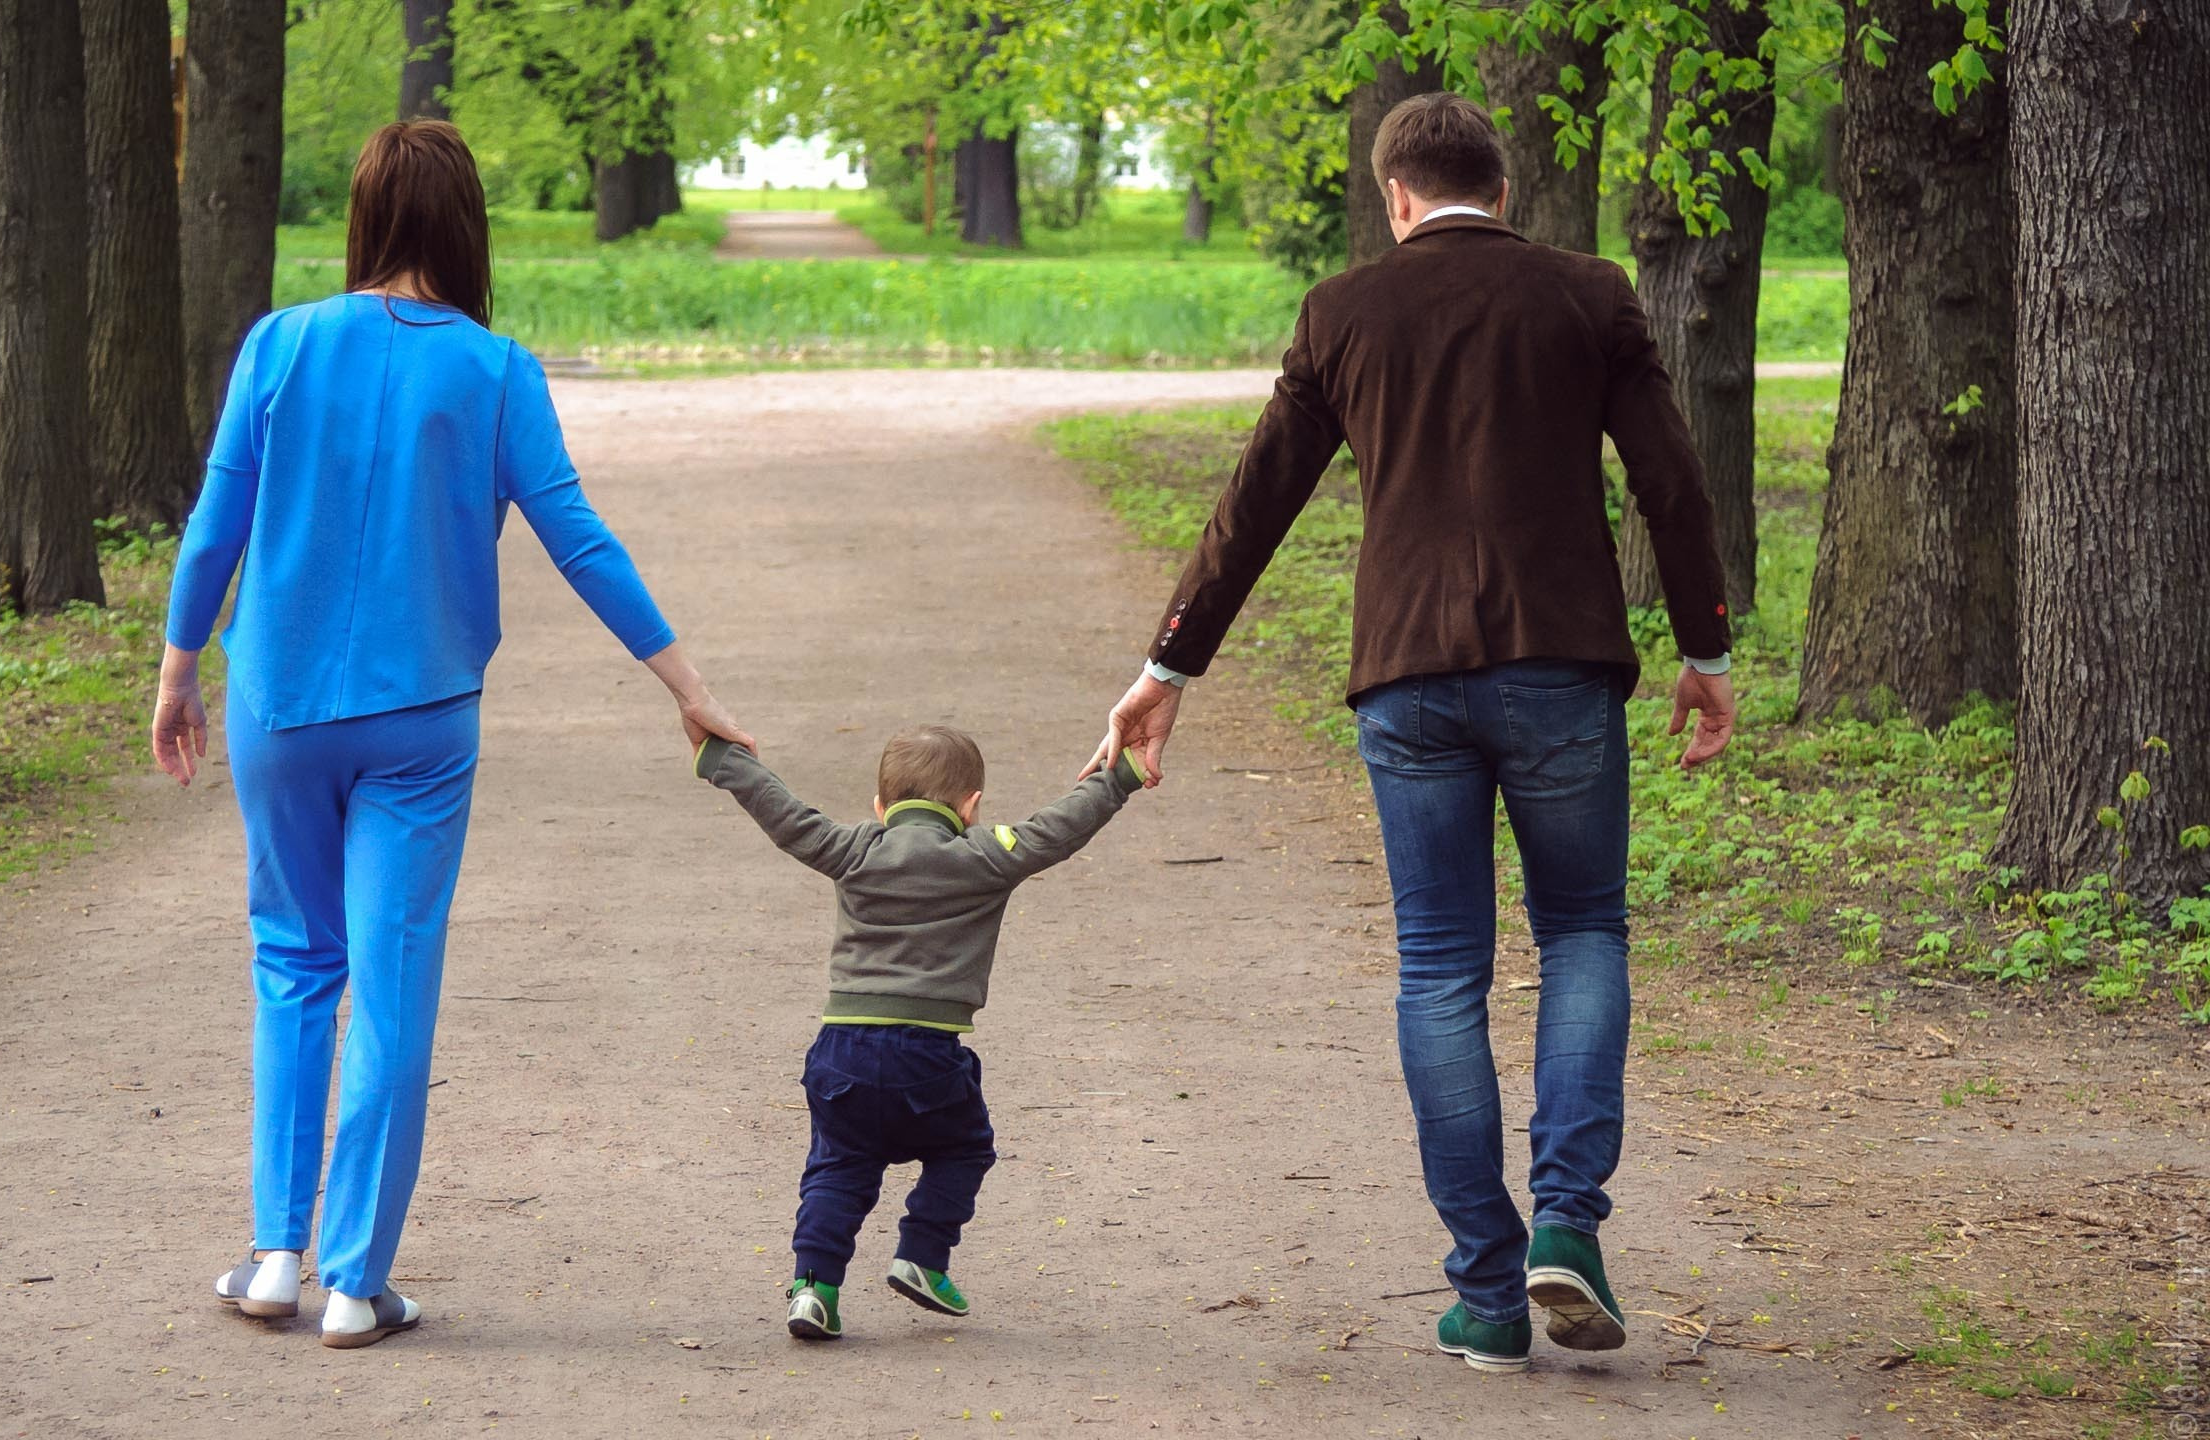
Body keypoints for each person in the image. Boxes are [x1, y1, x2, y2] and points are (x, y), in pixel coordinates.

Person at [1087, 91, 1740, 1374]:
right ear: (1500, 188)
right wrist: (1704, 649)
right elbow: (1671, 479)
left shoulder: (1343, 311)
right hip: (1560, 665)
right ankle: (1567, 1223)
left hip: (1406, 677)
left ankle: (1490, 1296)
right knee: (1583, 931)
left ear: (1394, 195)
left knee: (1441, 967)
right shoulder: (1587, 293)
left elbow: (1257, 495)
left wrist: (1168, 665)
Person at [150, 120, 752, 1350]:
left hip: (278, 704)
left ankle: (275, 1256)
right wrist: (683, 683)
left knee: (293, 966)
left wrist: (177, 672)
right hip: (421, 719)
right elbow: (578, 536)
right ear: (465, 227)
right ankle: (357, 1283)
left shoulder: (279, 345)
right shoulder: (494, 370)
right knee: (393, 985)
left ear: (367, 220)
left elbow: (216, 527)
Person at [694, 725, 1151, 1340]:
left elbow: (786, 813)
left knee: (840, 1163)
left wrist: (724, 758)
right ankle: (921, 1256)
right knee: (964, 1148)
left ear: (881, 809)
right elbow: (1058, 828)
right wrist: (1120, 775)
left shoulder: (853, 848)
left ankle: (813, 1288)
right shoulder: (987, 855)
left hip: (842, 1052)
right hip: (928, 1056)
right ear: (971, 806)